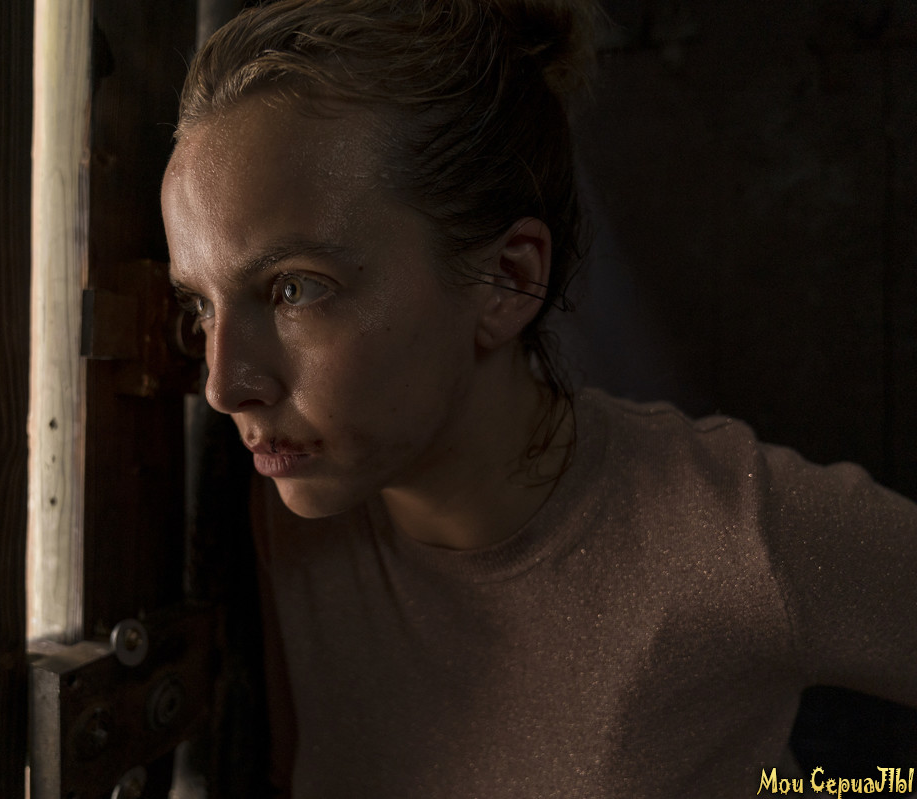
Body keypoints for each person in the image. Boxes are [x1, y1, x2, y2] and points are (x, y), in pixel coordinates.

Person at [160, 1, 917, 796]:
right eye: (200, 306)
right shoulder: (295, 510)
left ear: (508, 279)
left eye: (295, 289)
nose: (224, 385)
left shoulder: (732, 532)